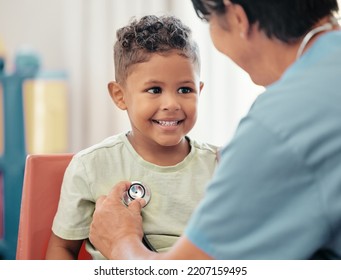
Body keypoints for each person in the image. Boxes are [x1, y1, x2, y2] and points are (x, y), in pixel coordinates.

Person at [89, 0, 341, 260]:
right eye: (154, 90)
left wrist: (120, 240)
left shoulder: (279, 125)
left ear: (237, 18)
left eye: (209, 23)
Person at [45, 15, 219, 260]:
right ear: (120, 96)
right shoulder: (90, 167)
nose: (171, 103)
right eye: (154, 90)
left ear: (199, 91)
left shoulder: (220, 165)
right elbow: (62, 249)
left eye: (185, 89)